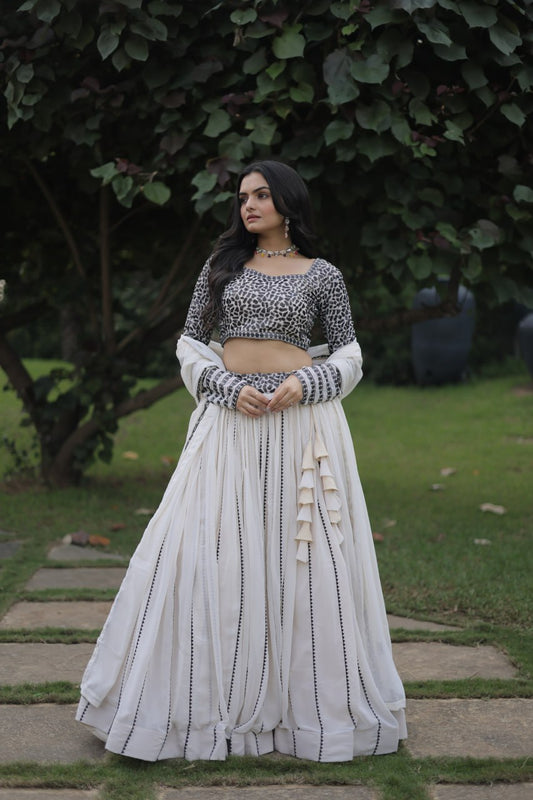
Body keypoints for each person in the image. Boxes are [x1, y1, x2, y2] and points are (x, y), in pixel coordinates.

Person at [76, 160, 407, 763]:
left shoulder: (323, 275)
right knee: (207, 549)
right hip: (230, 422)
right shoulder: (220, 267)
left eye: (261, 195)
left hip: (300, 427)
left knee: (302, 561)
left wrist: (308, 383)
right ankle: (201, 708)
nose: (248, 205)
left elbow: (349, 353)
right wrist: (226, 388)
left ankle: (309, 714)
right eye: (243, 196)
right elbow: (190, 344)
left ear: (288, 202)